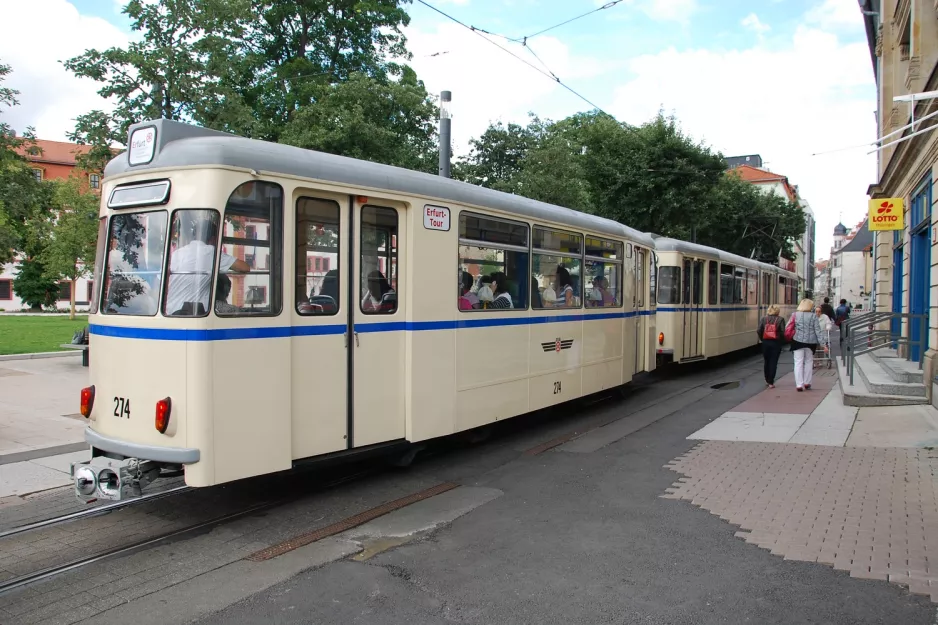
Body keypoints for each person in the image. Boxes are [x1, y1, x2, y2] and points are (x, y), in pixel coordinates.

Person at [165, 219, 249, 315]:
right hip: (194, 313)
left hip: (170, 312)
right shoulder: (210, 251)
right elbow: (244, 267)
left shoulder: (177, 253)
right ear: (213, 239)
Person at [790, 298, 826, 392]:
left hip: (797, 341)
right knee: (809, 362)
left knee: (798, 362)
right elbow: (818, 331)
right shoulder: (814, 316)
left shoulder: (795, 315)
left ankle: (799, 384)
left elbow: (788, 327)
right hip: (811, 342)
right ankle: (807, 383)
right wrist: (823, 344)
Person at [757, 304, 785, 388]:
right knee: (773, 361)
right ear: (777, 311)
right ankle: (771, 381)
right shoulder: (780, 319)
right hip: (776, 343)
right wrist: (780, 340)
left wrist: (762, 339)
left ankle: (766, 378)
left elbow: (759, 330)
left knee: (767, 361)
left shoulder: (763, 319)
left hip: (765, 342)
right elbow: (783, 332)